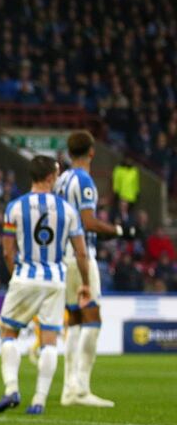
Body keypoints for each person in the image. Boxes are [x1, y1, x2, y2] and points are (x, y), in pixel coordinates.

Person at [0, 156, 90, 416]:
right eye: (56, 175)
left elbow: (7, 251)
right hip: (55, 279)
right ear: (49, 177)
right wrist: (86, 283)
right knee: (49, 340)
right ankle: (39, 401)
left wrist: (16, 275)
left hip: (25, 276)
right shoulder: (68, 210)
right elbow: (81, 252)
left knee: (9, 333)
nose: (57, 179)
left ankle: (11, 389)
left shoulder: (14, 207)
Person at [54, 131, 136, 407]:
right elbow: (88, 222)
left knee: (75, 321)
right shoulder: (84, 180)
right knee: (92, 319)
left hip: (61, 256)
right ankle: (82, 388)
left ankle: (68, 389)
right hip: (80, 255)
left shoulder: (61, 179)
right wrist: (119, 230)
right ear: (92, 152)